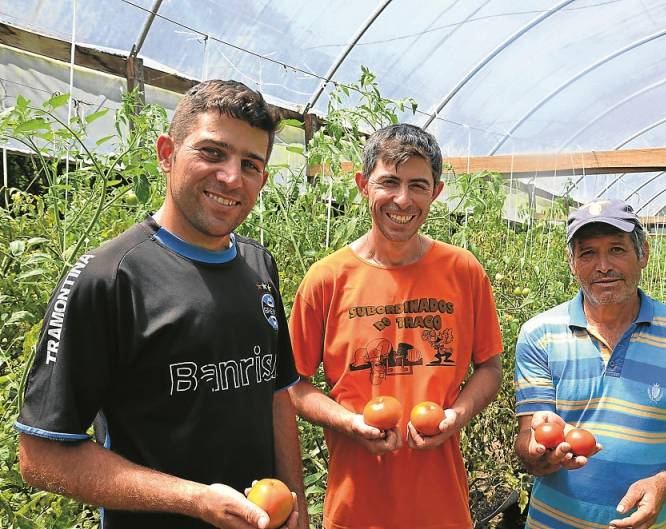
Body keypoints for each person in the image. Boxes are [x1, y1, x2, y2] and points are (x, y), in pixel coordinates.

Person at [15, 80, 307, 529]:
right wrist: (195, 500)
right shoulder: (108, 278)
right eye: (212, 153)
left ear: (263, 179)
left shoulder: (257, 263)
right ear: (167, 153)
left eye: (250, 164)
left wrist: (297, 508)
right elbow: (41, 455)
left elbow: (277, 393)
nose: (231, 177)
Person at [288, 123, 503, 529]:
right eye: (389, 182)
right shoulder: (328, 278)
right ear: (362, 185)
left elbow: (490, 367)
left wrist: (457, 415)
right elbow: (293, 384)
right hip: (356, 509)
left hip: (442, 509)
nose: (403, 200)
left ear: (436, 192)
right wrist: (348, 423)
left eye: (418, 186)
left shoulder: (463, 271)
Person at [514, 198, 666, 529]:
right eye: (588, 253)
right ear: (572, 262)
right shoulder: (539, 334)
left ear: (642, 254)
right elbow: (529, 438)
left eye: (617, 249)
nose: (603, 266)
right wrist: (540, 454)